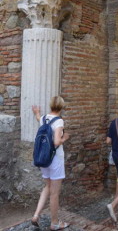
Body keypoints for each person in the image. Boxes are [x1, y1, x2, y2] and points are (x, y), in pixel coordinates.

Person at [31, 96, 70, 231]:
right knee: (54, 193)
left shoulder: (44, 118)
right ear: (61, 107)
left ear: (51, 105)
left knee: (47, 187)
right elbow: (56, 142)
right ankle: (54, 223)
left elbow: (38, 119)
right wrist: (64, 138)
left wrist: (36, 112)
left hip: (43, 159)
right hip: (55, 160)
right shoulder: (59, 121)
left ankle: (36, 215)